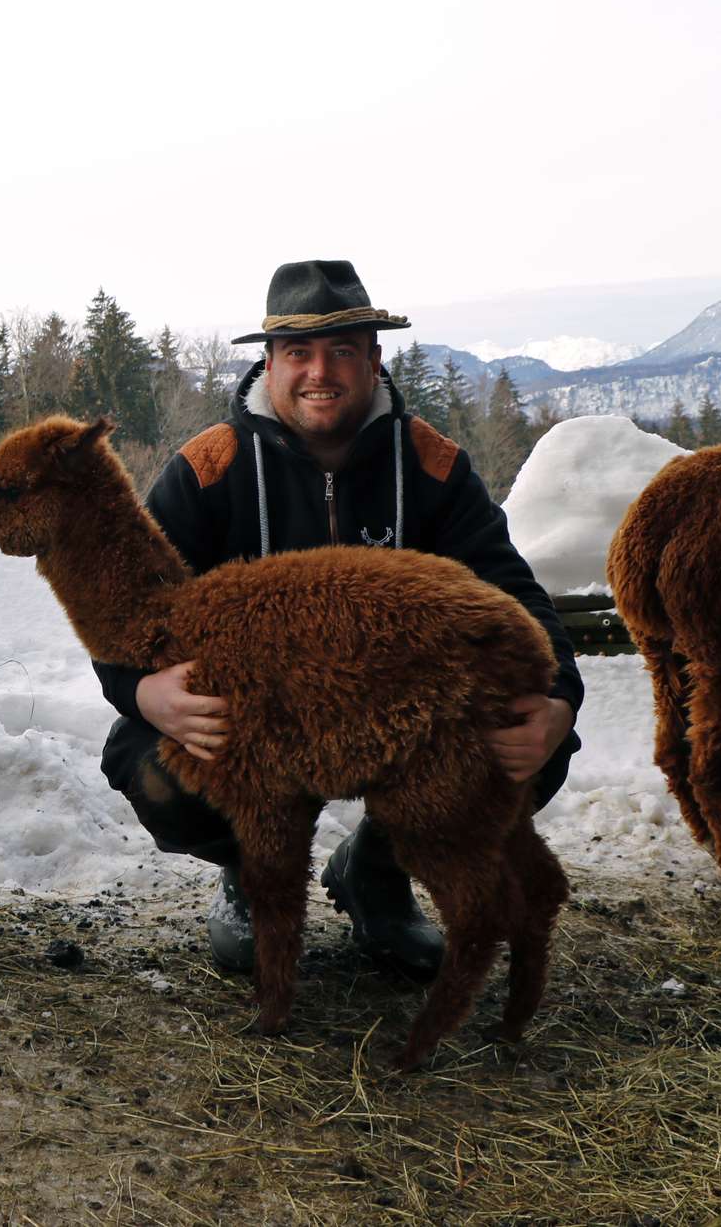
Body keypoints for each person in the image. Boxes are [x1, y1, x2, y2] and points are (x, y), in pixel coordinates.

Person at [94, 259, 582, 981]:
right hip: (255, 725)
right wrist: (142, 693)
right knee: (153, 771)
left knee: (523, 737)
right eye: (299, 353)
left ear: (373, 360)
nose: (320, 372)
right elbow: (123, 610)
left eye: (342, 351)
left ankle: (378, 871)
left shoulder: (433, 468)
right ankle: (247, 872)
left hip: (389, 727)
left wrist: (561, 699)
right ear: (270, 361)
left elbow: (514, 596)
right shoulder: (208, 468)